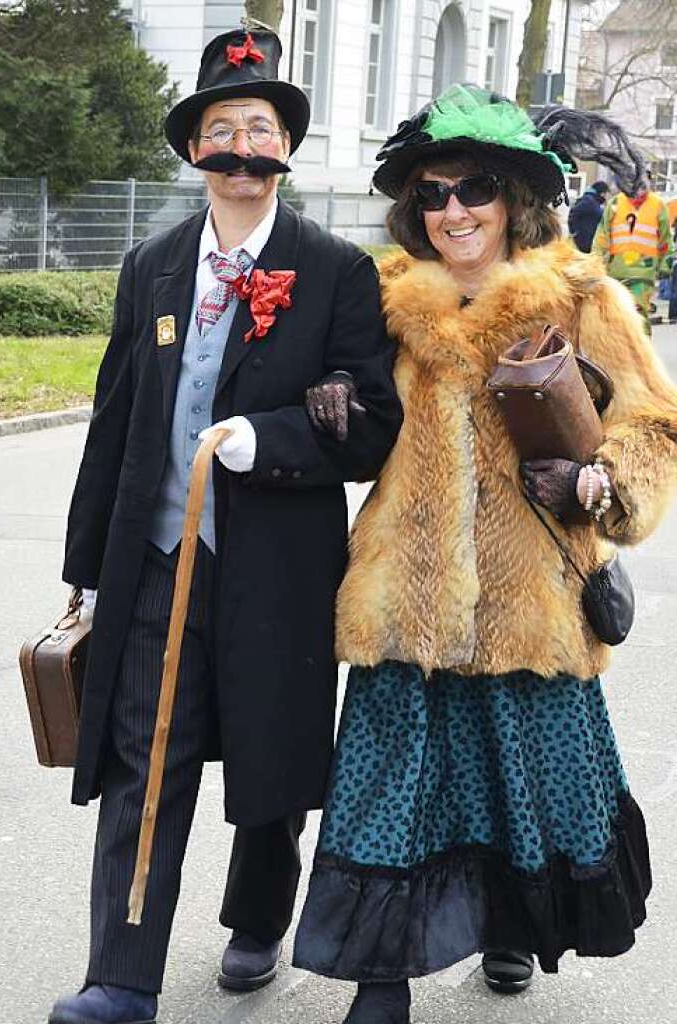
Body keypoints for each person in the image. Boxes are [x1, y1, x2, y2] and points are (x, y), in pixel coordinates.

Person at [292, 84, 677, 1024]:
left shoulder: (583, 298)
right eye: (431, 194)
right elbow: (360, 425)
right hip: (404, 595)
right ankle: (379, 982)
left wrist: (596, 484)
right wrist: (334, 407)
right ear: (411, 210)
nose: (453, 210)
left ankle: (510, 930)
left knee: (520, 785)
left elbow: (657, 428)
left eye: (473, 189)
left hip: (530, 597)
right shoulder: (382, 303)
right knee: (390, 789)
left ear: (513, 197)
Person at [48, 26, 402, 1024]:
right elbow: (115, 419)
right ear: (195, 150)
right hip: (158, 560)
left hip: (276, 567)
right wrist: (83, 565)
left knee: (271, 760)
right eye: (221, 127)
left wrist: (274, 439)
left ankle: (257, 919)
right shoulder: (151, 268)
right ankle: (120, 975)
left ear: (283, 148)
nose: (242, 146)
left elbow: (371, 427)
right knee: (139, 759)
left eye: (260, 126)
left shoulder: (335, 270)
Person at [593, 171, 674, 333]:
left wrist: (666, 266)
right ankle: (621, 351)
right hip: (616, 272)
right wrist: (595, 263)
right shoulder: (615, 203)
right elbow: (602, 236)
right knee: (617, 314)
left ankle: (641, 352)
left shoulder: (658, 206)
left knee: (639, 313)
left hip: (643, 273)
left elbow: (665, 240)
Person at [568, 179, 609, 252]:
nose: (606, 197)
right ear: (602, 193)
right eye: (606, 194)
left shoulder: (594, 202)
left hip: (588, 241)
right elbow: (573, 215)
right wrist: (575, 233)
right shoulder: (589, 201)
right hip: (583, 242)